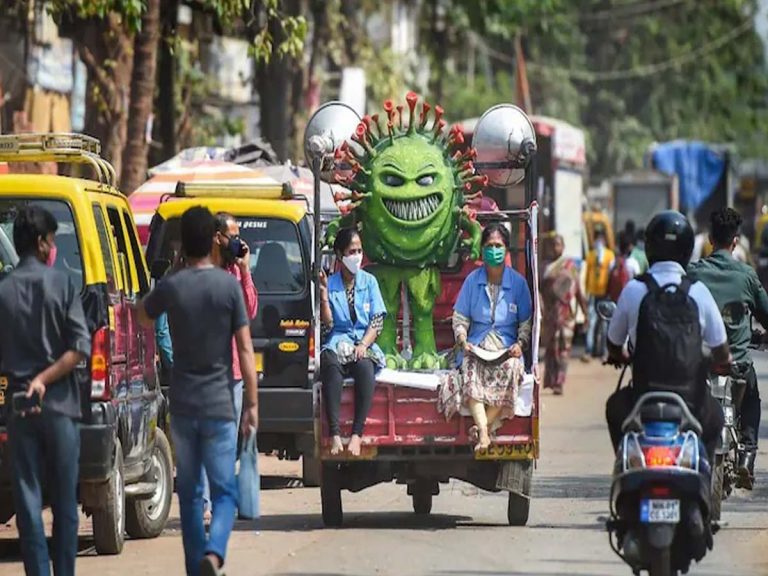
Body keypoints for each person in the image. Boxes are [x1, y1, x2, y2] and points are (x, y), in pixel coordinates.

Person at [138, 206, 259, 576]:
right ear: (213, 241)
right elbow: (245, 349)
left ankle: (195, 568)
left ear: (182, 244)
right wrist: (252, 404)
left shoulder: (173, 286)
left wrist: (171, 275)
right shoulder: (228, 286)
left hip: (184, 405)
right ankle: (214, 552)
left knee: (190, 495)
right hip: (220, 402)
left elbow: (143, 314)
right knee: (224, 492)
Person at [0, 206, 91, 576]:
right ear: (40, 243)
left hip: (20, 409)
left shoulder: (3, 291)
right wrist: (46, 378)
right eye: (52, 241)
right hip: (60, 408)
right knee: (65, 504)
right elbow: (79, 348)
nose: (53, 248)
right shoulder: (63, 284)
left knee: (28, 502)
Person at [605, 210, 729, 463]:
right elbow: (721, 349)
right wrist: (722, 362)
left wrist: (621, 356)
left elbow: (613, 343)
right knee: (716, 416)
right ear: (687, 250)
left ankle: (627, 464)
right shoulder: (699, 292)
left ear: (649, 247)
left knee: (614, 408)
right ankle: (701, 473)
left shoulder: (634, 289)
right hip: (691, 400)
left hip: (642, 397)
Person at [688, 207, 768, 488]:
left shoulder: (693, 273)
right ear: (735, 241)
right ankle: (747, 455)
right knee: (752, 400)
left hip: (700, 364)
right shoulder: (746, 276)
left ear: (710, 239)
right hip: (738, 365)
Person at [198, 212, 258, 521]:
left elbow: (249, 311)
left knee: (226, 441)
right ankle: (204, 503)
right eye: (232, 236)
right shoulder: (202, 271)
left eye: (238, 235)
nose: (237, 241)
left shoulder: (236, 271)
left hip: (233, 371)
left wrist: (245, 270)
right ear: (217, 237)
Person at [453, 223, 532, 451]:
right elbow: (460, 318)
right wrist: (462, 340)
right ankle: (485, 433)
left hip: (506, 348)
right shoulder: (472, 281)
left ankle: (482, 429)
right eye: (489, 246)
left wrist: (520, 344)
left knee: (513, 368)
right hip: (477, 345)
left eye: (498, 246)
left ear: (506, 249)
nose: (494, 250)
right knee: (468, 367)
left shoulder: (518, 283)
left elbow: (526, 323)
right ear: (482, 249)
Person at [319, 227, 386, 457]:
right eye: (351, 251)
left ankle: (357, 434)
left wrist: (364, 345)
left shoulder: (370, 282)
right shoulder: (330, 283)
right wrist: (324, 297)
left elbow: (377, 321)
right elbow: (327, 327)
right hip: (338, 341)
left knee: (365, 367)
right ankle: (335, 435)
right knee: (330, 365)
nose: (356, 256)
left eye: (359, 251)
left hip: (362, 342)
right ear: (340, 255)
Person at [541, 234, 587, 395]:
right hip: (550, 316)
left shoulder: (570, 266)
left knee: (564, 350)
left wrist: (585, 313)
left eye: (558, 245)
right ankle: (552, 380)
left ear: (563, 247)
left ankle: (560, 382)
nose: (555, 248)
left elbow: (578, 290)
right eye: (553, 245)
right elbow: (538, 291)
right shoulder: (545, 267)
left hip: (567, 316)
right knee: (552, 350)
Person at [583, 228, 615, 361]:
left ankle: (604, 352)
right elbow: (587, 274)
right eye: (597, 239)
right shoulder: (591, 255)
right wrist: (586, 291)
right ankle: (589, 350)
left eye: (601, 239)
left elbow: (612, 275)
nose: (599, 241)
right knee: (592, 323)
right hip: (593, 293)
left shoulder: (609, 255)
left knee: (605, 324)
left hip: (605, 294)